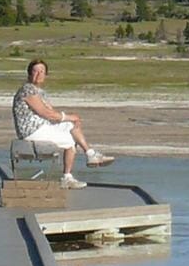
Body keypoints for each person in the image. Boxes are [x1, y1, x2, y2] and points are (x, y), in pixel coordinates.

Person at [12, 58, 114, 189]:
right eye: (35, 71)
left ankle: (90, 155)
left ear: (46, 75)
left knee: (70, 126)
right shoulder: (28, 90)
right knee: (70, 141)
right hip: (32, 131)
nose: (39, 74)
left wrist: (70, 119)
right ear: (29, 74)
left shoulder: (40, 92)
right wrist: (69, 116)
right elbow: (45, 114)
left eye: (42, 71)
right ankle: (68, 176)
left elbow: (52, 112)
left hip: (42, 127)